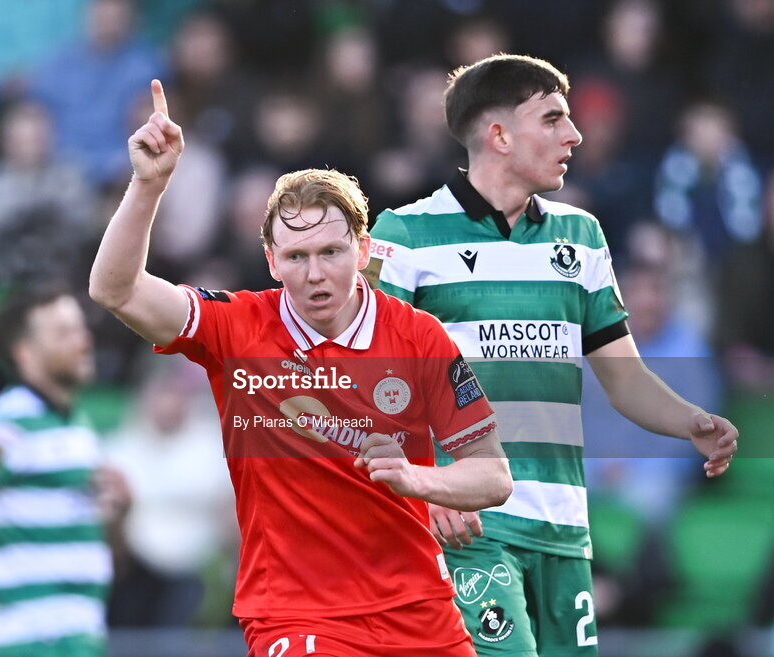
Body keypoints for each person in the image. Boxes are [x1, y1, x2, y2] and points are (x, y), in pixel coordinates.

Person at [89, 80, 512, 657]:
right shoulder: (235, 328)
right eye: (296, 256)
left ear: (363, 250)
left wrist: (421, 480)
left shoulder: (416, 336)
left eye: (331, 253)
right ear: (271, 260)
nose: (315, 274)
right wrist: (147, 185)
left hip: (419, 610)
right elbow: (115, 290)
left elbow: (492, 476)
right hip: (296, 615)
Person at [366, 54, 739, 656]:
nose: (576, 135)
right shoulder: (405, 235)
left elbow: (623, 377)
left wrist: (686, 420)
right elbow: (373, 384)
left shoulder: (582, 237)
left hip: (564, 526)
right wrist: (427, 487)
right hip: (471, 527)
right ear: (499, 135)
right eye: (554, 118)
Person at [0, 282, 129, 657]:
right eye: (63, 333)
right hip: (37, 643)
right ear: (25, 353)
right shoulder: (6, 426)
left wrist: (122, 509)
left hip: (82, 637)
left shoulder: (76, 425)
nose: (82, 341)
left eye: (80, 328)